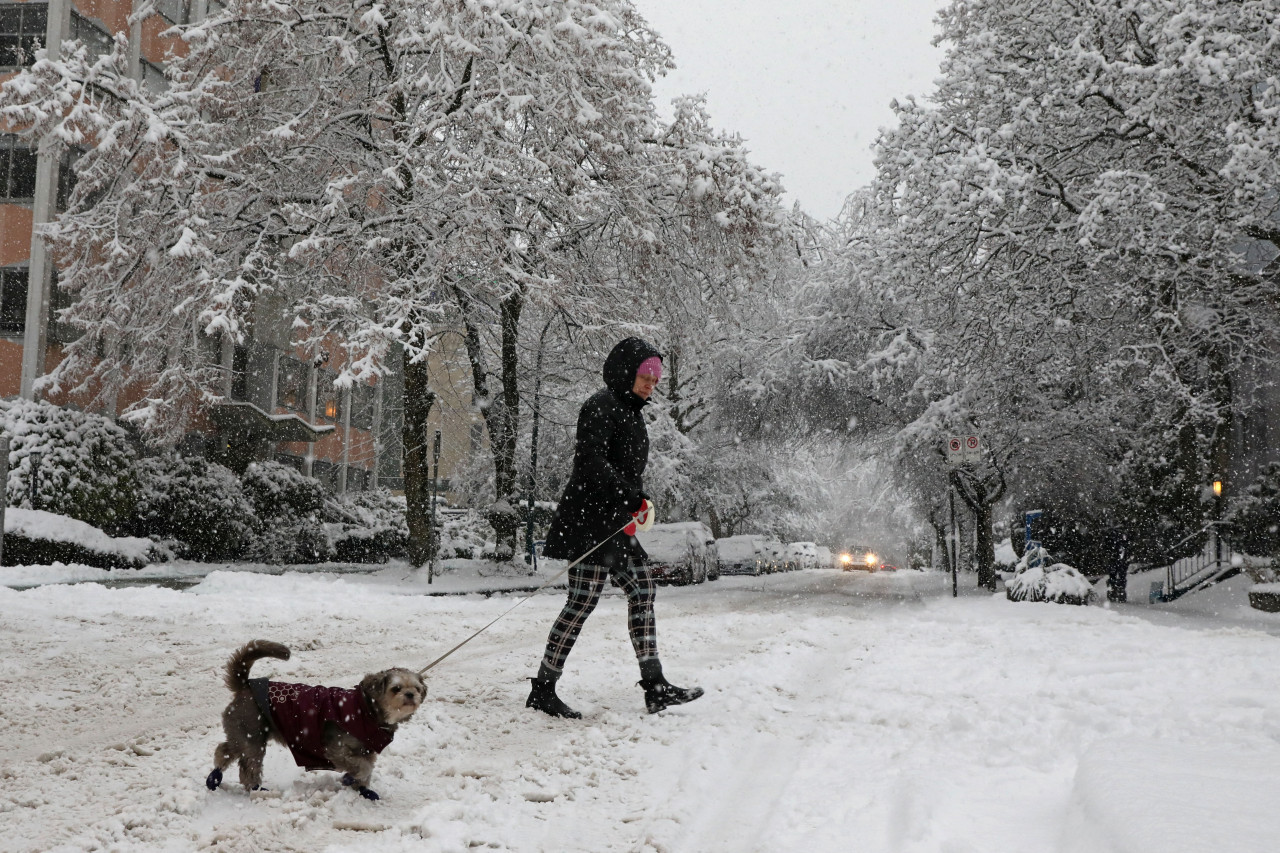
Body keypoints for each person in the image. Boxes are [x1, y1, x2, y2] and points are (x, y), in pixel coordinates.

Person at [526, 337, 704, 718]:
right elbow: (591, 462)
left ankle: (655, 687)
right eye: (645, 376)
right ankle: (543, 688)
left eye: (655, 380)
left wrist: (638, 500)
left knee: (643, 590)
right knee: (581, 603)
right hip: (590, 523)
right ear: (627, 371)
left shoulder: (631, 412)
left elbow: (623, 470)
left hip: (616, 524)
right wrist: (630, 497)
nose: (650, 385)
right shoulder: (600, 406)